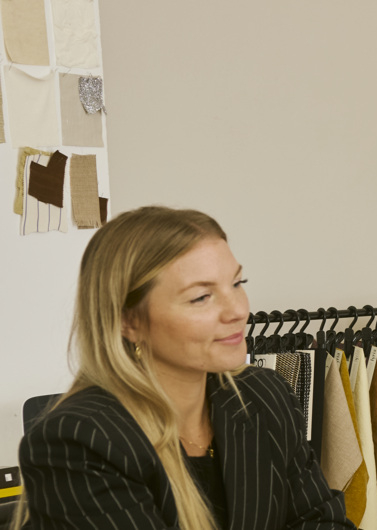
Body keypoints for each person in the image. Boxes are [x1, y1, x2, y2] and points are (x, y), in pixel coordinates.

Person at [11, 207, 351, 530]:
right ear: (128, 321)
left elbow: (322, 520)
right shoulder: (79, 440)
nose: (237, 311)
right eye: (201, 297)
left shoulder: (264, 396)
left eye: (237, 284)